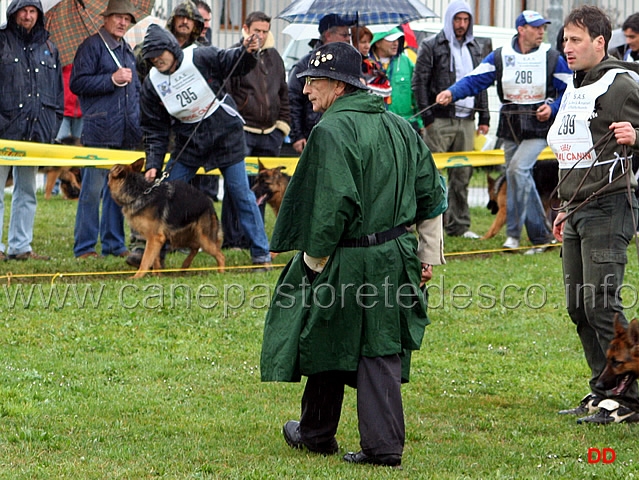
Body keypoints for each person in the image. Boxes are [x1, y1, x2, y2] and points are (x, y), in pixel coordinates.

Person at [260, 42, 447, 467]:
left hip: (349, 256)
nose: (306, 89)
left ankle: (381, 448)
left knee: (346, 337)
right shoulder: (400, 125)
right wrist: (427, 256)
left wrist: (313, 262)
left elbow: (330, 208)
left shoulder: (330, 131)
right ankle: (315, 432)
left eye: (313, 81)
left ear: (339, 86)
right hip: (397, 255)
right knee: (347, 338)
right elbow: (430, 196)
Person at [549, 5, 639, 424]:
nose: (566, 47)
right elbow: (573, 155)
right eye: (565, 40)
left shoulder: (621, 84)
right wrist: (565, 207)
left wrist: (637, 135)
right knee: (578, 306)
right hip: (578, 210)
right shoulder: (575, 86)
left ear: (600, 43)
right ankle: (603, 388)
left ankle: (630, 396)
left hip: (610, 206)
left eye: (576, 40)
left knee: (602, 303)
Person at [436, 10, 572, 254]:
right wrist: (451, 93)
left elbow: (569, 90)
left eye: (543, 27)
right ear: (521, 30)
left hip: (540, 128)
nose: (542, 31)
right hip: (510, 128)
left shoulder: (552, 57)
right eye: (536, 27)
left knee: (517, 170)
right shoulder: (500, 56)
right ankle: (513, 236)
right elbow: (475, 79)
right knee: (514, 178)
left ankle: (541, 235)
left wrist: (552, 108)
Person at [140, 24, 272, 269]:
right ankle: (155, 254)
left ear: (171, 48)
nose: (156, 59)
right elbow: (154, 129)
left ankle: (261, 254)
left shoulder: (199, 55)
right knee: (165, 194)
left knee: (240, 194)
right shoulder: (151, 85)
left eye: (160, 53)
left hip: (225, 135)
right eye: (151, 57)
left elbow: (232, 61)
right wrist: (153, 164)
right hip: (188, 142)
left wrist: (248, 51)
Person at [70, 0, 142, 260]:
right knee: (91, 189)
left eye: (127, 19)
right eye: (118, 17)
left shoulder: (127, 50)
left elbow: (133, 91)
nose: (123, 23)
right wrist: (111, 79)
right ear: (106, 18)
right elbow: (77, 83)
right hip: (100, 129)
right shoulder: (90, 46)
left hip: (126, 132)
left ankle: (114, 243)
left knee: (119, 191)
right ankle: (85, 247)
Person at [413, 0, 489, 239]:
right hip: (439, 120)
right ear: (449, 20)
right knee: (434, 176)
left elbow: (482, 82)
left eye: (466, 20)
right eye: (458, 19)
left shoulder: (476, 47)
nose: (462, 25)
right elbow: (420, 83)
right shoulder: (430, 45)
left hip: (467, 121)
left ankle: (460, 226)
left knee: (462, 176)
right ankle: (431, 226)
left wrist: (484, 116)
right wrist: (427, 118)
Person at [0, 0, 62, 261]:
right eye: (23, 10)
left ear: (39, 14)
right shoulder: (2, 41)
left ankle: (21, 246)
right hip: (4, 130)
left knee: (27, 191)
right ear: (14, 13)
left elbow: (57, 93)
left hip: (36, 133)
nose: (28, 15)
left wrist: (52, 124)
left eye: (32, 11)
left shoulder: (50, 47)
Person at [223, 11, 290, 249]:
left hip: (269, 135)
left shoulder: (275, 57)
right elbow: (226, 94)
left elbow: (284, 94)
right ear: (245, 28)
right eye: (256, 31)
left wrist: (282, 128)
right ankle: (232, 240)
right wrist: (233, 127)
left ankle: (255, 238)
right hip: (242, 131)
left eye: (264, 31)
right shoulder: (233, 54)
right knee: (237, 187)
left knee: (262, 191)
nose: (260, 35)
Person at [288, 13, 353, 154]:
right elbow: (293, 101)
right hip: (312, 135)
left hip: (343, 135)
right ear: (328, 35)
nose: (348, 39)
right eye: (344, 35)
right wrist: (297, 136)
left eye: (349, 35)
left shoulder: (350, 65)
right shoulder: (305, 65)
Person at [369, 27, 423, 132]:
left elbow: (417, 93)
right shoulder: (366, 64)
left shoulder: (406, 62)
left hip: (405, 124)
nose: (396, 43)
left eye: (398, 39)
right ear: (377, 42)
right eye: (390, 40)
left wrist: (421, 122)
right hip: (376, 126)